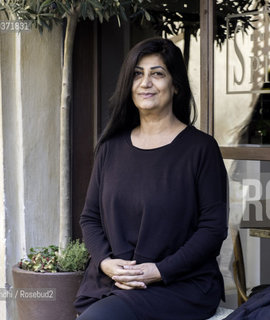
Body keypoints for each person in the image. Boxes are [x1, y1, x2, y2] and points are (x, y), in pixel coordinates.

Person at [74, 37, 228, 320]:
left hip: (179, 284)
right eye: (137, 74)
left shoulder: (200, 149)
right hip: (112, 282)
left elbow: (213, 229)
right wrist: (106, 263)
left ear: (176, 85)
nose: (145, 83)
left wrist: (159, 270)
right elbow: (90, 218)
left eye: (157, 74)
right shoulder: (110, 147)